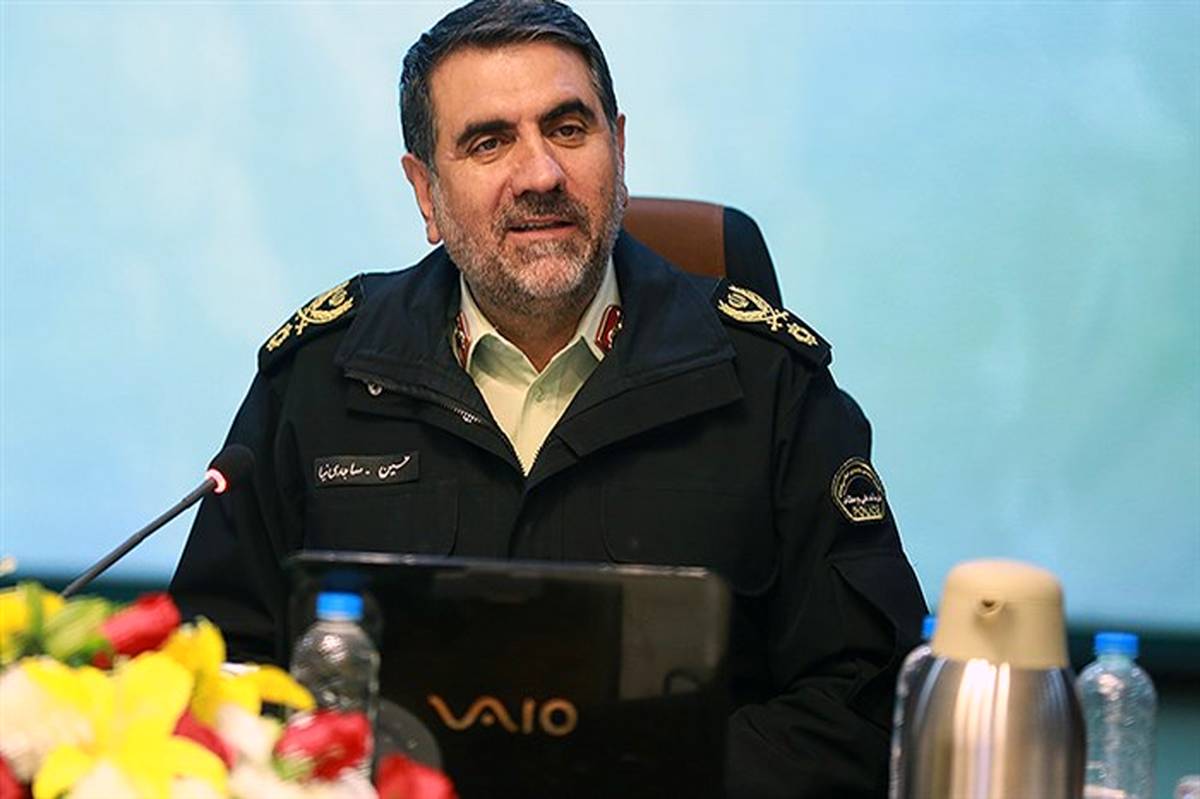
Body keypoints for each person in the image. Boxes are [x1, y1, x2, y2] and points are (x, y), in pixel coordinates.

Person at [169, 1, 927, 796]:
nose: (540, 174)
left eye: (568, 129)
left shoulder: (771, 384)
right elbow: (212, 672)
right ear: (426, 191)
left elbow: (864, 699)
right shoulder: (320, 379)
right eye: (489, 141)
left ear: (619, 149)